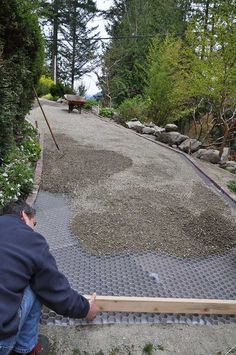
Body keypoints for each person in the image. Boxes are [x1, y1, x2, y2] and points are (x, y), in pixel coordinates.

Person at [0, 200, 97, 355]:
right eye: (34, 223)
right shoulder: (29, 239)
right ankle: (25, 349)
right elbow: (54, 289)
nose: (33, 229)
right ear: (24, 216)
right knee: (36, 283)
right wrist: (85, 308)